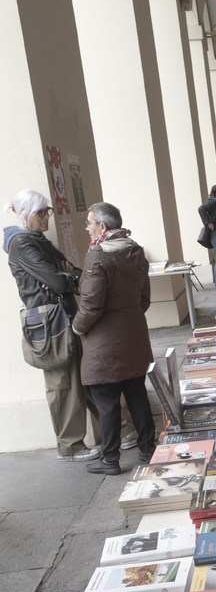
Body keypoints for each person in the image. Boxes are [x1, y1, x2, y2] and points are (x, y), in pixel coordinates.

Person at [3, 189, 99, 461]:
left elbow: (75, 273)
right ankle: (71, 447)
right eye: (40, 212)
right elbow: (59, 281)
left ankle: (115, 429)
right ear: (23, 215)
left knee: (84, 374)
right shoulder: (22, 243)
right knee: (62, 384)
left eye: (47, 211)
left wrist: (66, 276)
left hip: (62, 314)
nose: (46, 217)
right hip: (47, 320)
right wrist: (65, 277)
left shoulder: (38, 240)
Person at [72, 202, 156, 474]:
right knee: (136, 394)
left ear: (103, 227)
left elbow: (91, 306)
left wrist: (77, 327)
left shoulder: (98, 256)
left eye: (89, 223)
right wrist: (128, 317)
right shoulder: (135, 250)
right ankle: (148, 449)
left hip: (104, 343)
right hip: (134, 335)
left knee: (106, 401)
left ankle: (110, 459)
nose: (87, 228)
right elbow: (144, 298)